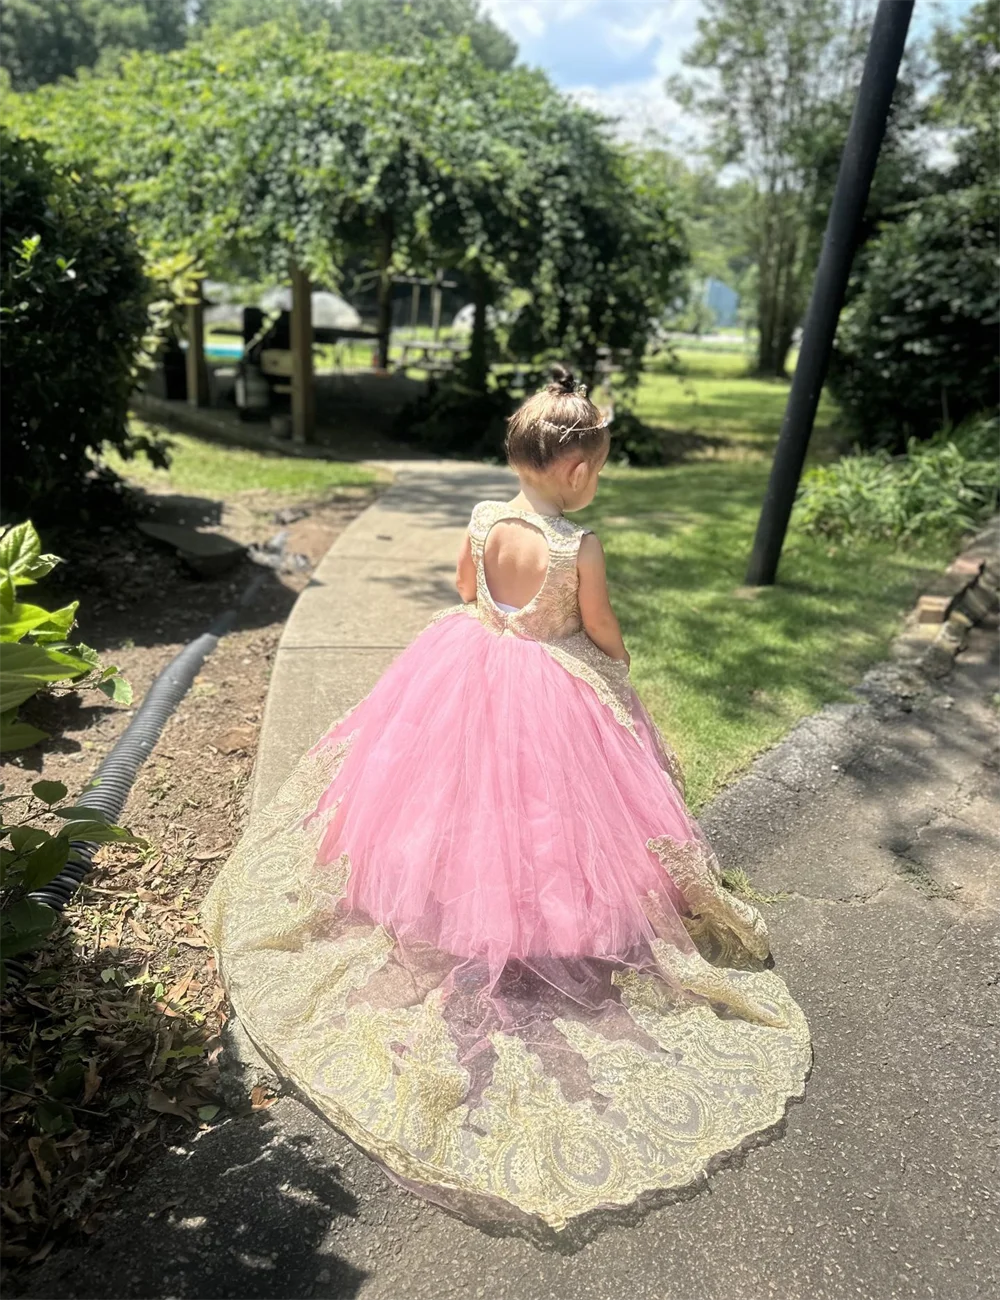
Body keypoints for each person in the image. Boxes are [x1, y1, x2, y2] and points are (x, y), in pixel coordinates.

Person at [201, 365, 811, 1232]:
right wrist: (616, 665)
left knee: (454, 806)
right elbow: (598, 628)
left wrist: (500, 619)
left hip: (471, 665)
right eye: (595, 466)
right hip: (551, 684)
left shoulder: (486, 520)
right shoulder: (578, 546)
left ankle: (446, 908)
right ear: (571, 471)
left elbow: (464, 591)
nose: (596, 479)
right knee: (551, 822)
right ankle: (537, 930)